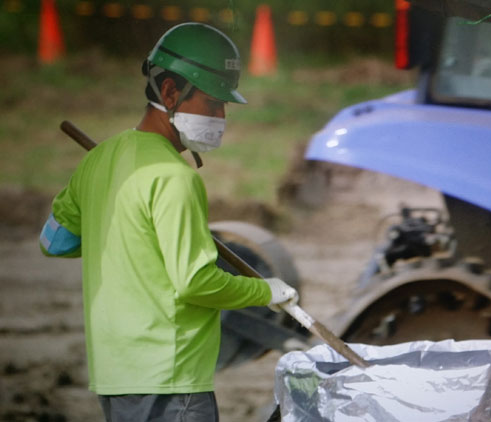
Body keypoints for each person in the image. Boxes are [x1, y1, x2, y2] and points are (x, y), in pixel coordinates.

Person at [39, 22, 298, 421]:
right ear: (171, 92)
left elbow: (54, 242)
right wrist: (265, 291)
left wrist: (120, 232)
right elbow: (195, 282)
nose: (221, 116)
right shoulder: (175, 179)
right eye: (212, 104)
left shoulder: (98, 161)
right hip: (170, 381)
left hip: (114, 376)